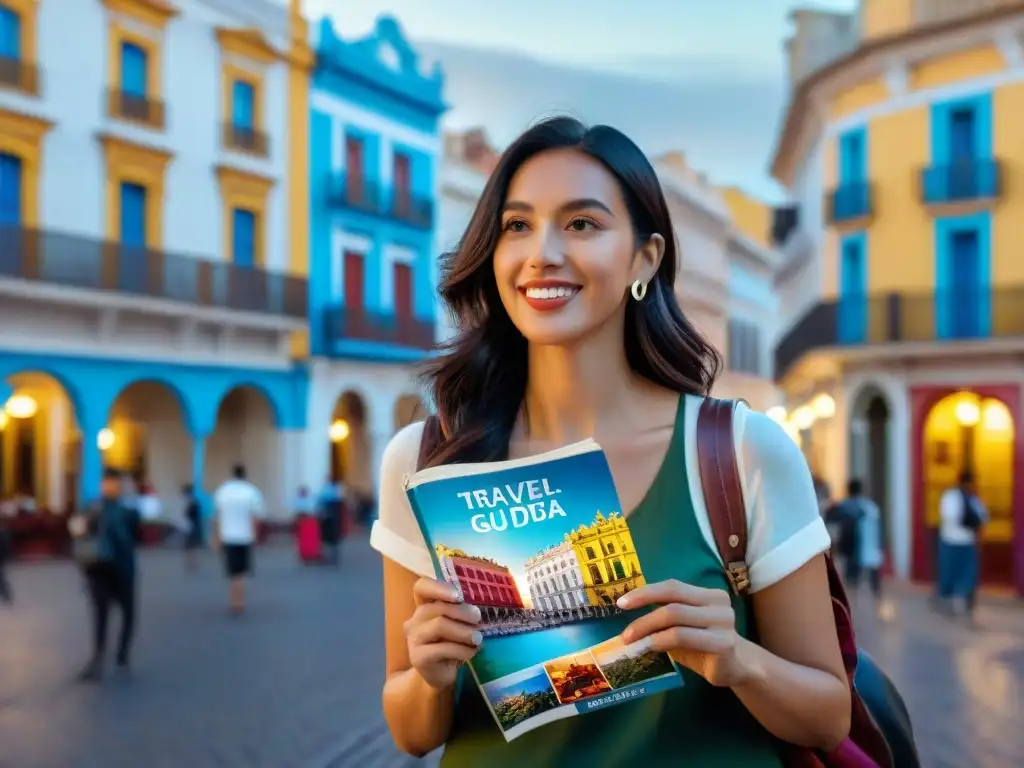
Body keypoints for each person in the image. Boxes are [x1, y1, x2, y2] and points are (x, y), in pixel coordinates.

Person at [371, 117, 849, 764]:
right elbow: (412, 731)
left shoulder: (738, 453)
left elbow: (828, 717)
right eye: (517, 226)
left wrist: (738, 660)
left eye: (581, 224)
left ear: (644, 258)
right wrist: (428, 675)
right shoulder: (425, 460)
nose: (542, 252)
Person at [71, 468, 142, 681]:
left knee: (124, 613)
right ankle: (102, 657)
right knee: (104, 613)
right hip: (104, 568)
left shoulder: (124, 509)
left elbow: (135, 535)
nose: (111, 486)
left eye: (114, 482)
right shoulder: (100, 508)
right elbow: (78, 530)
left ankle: (119, 654)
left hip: (114, 567)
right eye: (109, 482)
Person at [212, 465, 264, 615]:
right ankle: (239, 601)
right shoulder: (252, 492)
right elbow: (256, 516)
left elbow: (216, 516)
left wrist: (216, 536)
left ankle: (233, 600)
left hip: (228, 535)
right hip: (245, 536)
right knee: (241, 571)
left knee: (232, 571)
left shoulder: (223, 491)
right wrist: (255, 533)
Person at [937, 470, 987, 618]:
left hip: (950, 540)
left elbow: (947, 517)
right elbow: (983, 517)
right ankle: (965, 604)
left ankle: (951, 605)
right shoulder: (973, 498)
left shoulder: (949, 496)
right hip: (967, 542)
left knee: (949, 573)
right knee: (967, 575)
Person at [317, 477, 344, 566]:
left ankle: (330, 556)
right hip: (331, 520)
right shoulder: (335, 492)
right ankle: (331, 556)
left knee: (329, 539)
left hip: (330, 519)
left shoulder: (329, 492)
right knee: (330, 539)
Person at [182, 484, 203, 573]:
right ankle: (193, 561)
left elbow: (187, 514)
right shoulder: (194, 501)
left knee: (190, 544)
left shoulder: (190, 502)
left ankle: (191, 561)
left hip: (191, 525)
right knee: (192, 544)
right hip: (194, 525)